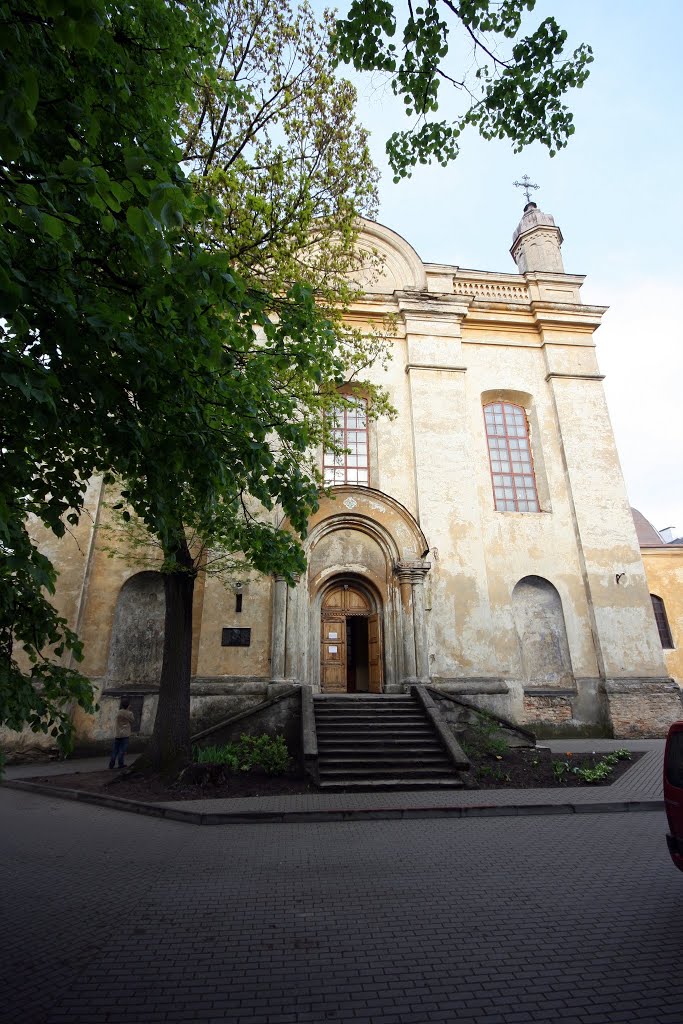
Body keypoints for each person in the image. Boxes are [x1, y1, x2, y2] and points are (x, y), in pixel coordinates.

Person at [108, 697, 135, 769]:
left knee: (115, 750)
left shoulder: (118, 712)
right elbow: (132, 720)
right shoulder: (129, 713)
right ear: (128, 705)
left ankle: (111, 764)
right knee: (122, 750)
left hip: (118, 733)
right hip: (125, 734)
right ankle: (120, 764)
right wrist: (128, 710)